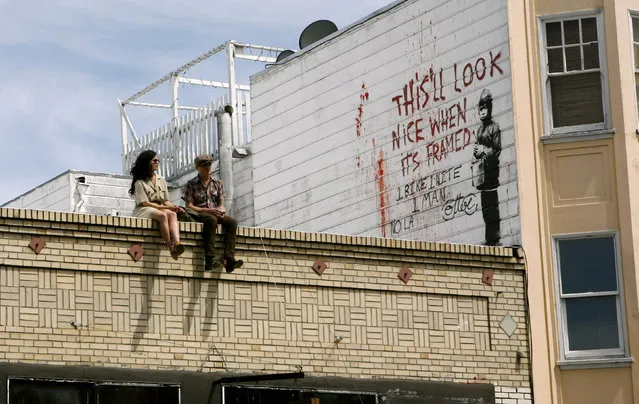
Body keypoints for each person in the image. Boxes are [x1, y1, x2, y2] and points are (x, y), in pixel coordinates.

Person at [183, 153, 243, 272]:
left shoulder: (217, 183)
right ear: (197, 167)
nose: (207, 168)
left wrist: (221, 210)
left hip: (215, 212)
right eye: (204, 165)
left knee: (232, 222)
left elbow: (221, 203)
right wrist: (208, 210)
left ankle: (229, 259)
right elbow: (189, 206)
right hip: (200, 213)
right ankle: (209, 259)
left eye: (209, 164)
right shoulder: (191, 184)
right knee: (211, 220)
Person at [129, 150, 185, 259]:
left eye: (158, 160)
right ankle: (170, 247)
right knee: (163, 215)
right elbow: (145, 203)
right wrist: (165, 207)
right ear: (147, 163)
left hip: (159, 208)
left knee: (172, 214)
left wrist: (174, 207)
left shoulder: (161, 180)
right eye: (154, 160)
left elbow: (165, 200)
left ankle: (177, 243)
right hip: (143, 210)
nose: (157, 162)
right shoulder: (139, 182)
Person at [472, 89, 502, 246]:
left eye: (485, 108)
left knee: (492, 205)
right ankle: (489, 237)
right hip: (481, 173)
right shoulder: (479, 129)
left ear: (489, 108)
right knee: (485, 206)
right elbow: (477, 150)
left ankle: (495, 236)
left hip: (491, 172)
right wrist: (477, 151)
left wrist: (485, 151)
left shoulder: (494, 127)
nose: (482, 112)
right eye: (480, 109)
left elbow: (497, 149)